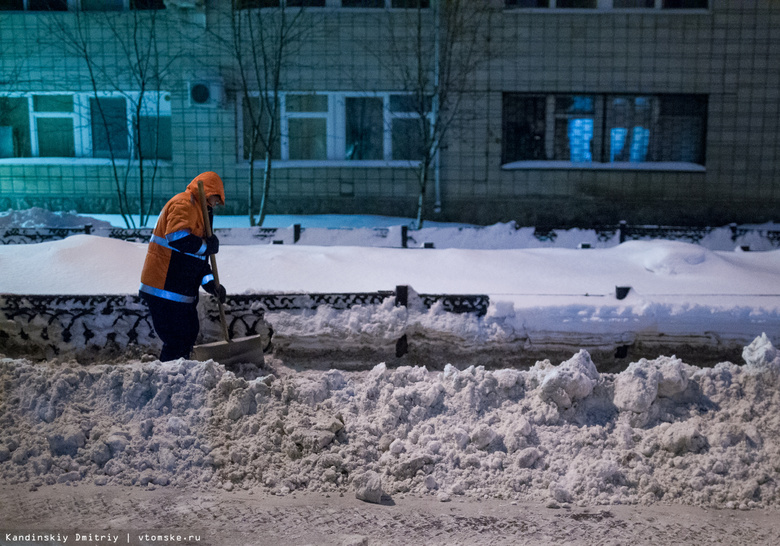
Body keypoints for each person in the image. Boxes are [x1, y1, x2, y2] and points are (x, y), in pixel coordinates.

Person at [139, 171, 227, 361]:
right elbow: (177, 237)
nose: (215, 204)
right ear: (208, 192)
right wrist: (206, 247)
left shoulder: (201, 213)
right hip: (164, 288)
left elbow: (198, 262)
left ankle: (179, 376)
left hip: (180, 291)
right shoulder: (184, 203)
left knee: (188, 335)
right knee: (176, 340)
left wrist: (212, 284)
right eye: (215, 199)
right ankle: (167, 379)